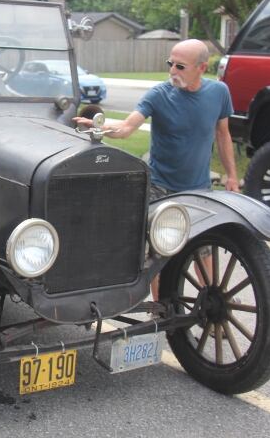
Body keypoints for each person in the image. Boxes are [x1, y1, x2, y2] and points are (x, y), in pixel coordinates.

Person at [74, 39, 240, 305]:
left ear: (201, 67)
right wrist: (99, 128)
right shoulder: (159, 95)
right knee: (157, 249)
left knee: (205, 250)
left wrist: (232, 175)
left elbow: (223, 134)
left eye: (180, 66)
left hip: (198, 188)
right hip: (160, 186)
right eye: (170, 64)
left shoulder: (219, 92)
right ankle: (159, 308)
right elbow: (128, 128)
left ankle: (212, 300)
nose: (173, 70)